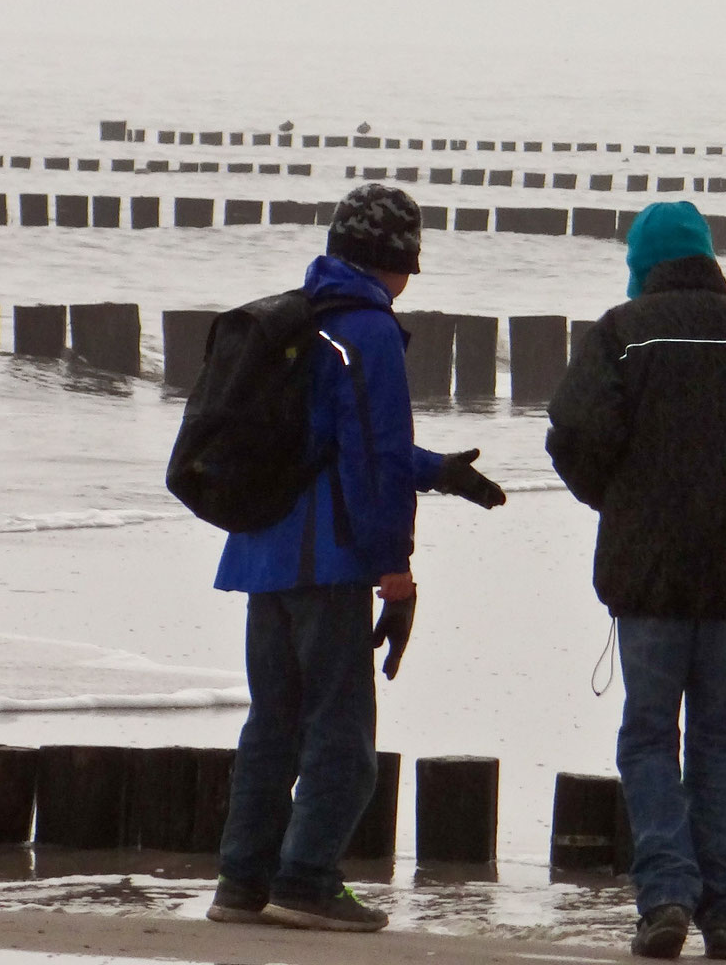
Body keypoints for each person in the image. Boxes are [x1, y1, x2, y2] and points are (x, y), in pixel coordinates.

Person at [208, 183, 507, 932]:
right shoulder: (367, 329)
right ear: (395, 261)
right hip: (327, 560)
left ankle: (241, 885)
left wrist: (436, 469)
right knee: (343, 739)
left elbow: (332, 438)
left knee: (272, 726)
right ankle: (306, 880)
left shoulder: (300, 317)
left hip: (259, 554)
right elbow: (369, 457)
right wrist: (395, 572)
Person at [547, 201, 726, 961]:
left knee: (647, 736)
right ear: (706, 258)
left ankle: (666, 896)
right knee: (720, 744)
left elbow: (573, 437)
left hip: (650, 573)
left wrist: (622, 502)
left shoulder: (619, 335)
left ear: (642, 264)